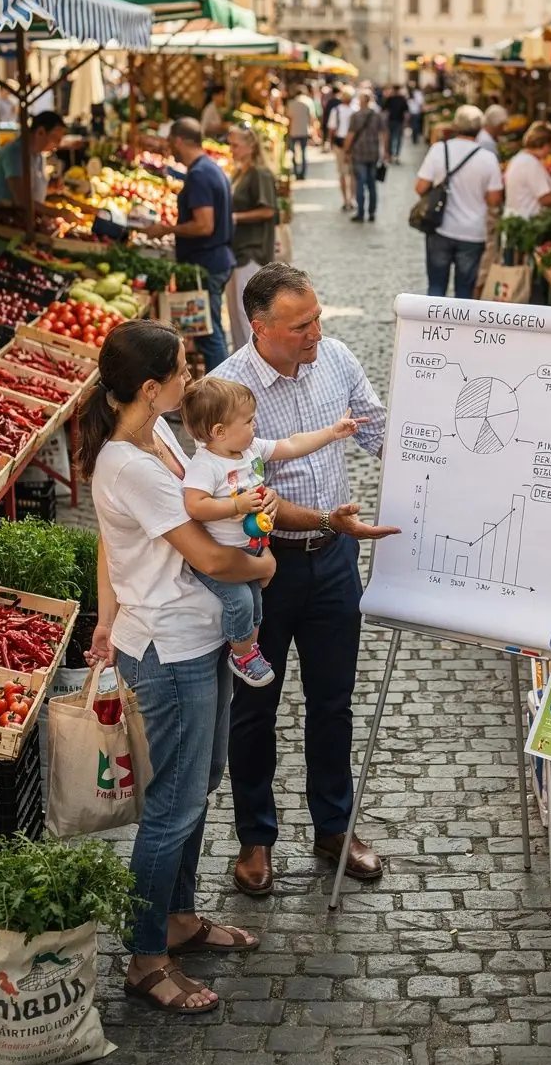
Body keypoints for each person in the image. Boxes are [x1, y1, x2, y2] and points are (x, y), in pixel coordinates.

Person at [82, 320, 274, 1014]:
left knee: (202, 780)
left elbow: (110, 547)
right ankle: (145, 955)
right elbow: (214, 558)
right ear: (150, 386)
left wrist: (104, 621)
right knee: (171, 806)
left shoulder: (156, 438)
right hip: (169, 650)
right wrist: (265, 565)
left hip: (191, 639)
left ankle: (180, 918)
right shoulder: (129, 465)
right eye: (185, 370)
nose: (193, 379)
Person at [212, 263, 400, 895]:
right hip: (262, 571)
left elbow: (377, 431)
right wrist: (324, 518)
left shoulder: (337, 358)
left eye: (318, 317)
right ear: (259, 328)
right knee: (255, 708)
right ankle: (255, 840)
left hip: (334, 563)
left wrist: (446, 462)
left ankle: (334, 827)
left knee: (332, 703)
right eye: (302, 325)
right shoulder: (225, 391)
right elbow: (248, 495)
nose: (317, 332)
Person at [181, 375, 364, 686]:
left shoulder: (249, 450)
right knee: (240, 602)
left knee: (255, 604)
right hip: (224, 556)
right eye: (249, 421)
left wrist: (331, 433)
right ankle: (241, 654)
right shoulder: (206, 465)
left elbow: (291, 445)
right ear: (219, 431)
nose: (255, 427)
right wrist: (235, 507)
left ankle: (248, 647)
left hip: (252, 547)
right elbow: (195, 505)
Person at [143, 117, 235, 373]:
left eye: (171, 142)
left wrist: (166, 228)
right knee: (211, 329)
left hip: (205, 264)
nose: (170, 148)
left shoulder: (199, 175)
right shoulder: (209, 168)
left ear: (180, 141)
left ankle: (222, 394)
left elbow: (204, 225)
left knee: (209, 333)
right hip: (215, 259)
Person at [415, 104, 503, 298]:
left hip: (440, 228)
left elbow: (420, 187)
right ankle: (459, 328)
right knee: (465, 291)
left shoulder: (439, 150)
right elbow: (494, 200)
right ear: (480, 128)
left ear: (455, 126)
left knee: (436, 286)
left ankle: (433, 326)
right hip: (472, 233)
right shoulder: (488, 158)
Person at [226, 125, 278, 352]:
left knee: (247, 314)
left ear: (250, 147)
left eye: (235, 145)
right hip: (238, 251)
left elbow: (268, 210)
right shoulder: (241, 172)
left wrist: (235, 217)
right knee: (237, 315)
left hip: (252, 251)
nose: (231, 149)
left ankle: (254, 369)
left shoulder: (259, 174)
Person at [0, 110, 74, 223]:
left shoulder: (38, 155)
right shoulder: (15, 153)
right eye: (55, 139)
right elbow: (22, 200)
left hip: (27, 220)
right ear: (40, 132)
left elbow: (33, 191)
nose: (57, 145)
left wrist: (51, 188)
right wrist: (58, 213)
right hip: (5, 222)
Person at [503, 122, 551, 219]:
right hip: (526, 221)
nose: (550, 152)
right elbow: (547, 200)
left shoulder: (519, 158)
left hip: (515, 218)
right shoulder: (531, 164)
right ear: (546, 145)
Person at [344, 91, 388, 223]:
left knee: (360, 183)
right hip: (373, 153)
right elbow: (384, 134)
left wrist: (346, 151)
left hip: (359, 153)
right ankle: (372, 212)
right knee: (372, 184)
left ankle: (361, 213)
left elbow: (351, 135)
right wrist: (386, 151)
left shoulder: (356, 116)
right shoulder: (377, 116)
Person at [328, 86, 355, 211]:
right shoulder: (355, 111)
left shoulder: (336, 110)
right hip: (353, 144)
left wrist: (330, 142)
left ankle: (346, 199)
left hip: (340, 143)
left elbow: (332, 129)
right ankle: (353, 199)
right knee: (352, 173)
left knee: (343, 174)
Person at [286, 86, 315, 180]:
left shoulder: (291, 104)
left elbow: (289, 119)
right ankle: (302, 173)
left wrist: (289, 130)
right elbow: (312, 118)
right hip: (304, 130)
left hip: (294, 130)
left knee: (294, 152)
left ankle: (295, 171)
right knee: (303, 153)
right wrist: (311, 129)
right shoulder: (309, 102)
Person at [383, 85, 409, 163]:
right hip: (397, 121)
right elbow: (406, 112)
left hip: (393, 121)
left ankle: (392, 155)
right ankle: (395, 156)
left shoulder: (390, 99)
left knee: (392, 138)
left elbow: (385, 110)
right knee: (397, 139)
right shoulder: (401, 99)